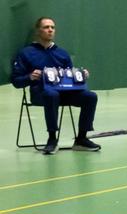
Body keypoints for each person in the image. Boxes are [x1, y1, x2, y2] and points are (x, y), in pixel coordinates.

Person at [10, 17, 101, 155]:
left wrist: (80, 76)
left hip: (65, 94)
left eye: (52, 27)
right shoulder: (26, 53)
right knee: (52, 95)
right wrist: (30, 77)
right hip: (41, 94)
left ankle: (81, 139)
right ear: (38, 31)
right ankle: (52, 139)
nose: (50, 30)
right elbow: (16, 81)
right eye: (46, 27)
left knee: (90, 96)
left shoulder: (62, 53)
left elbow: (70, 77)